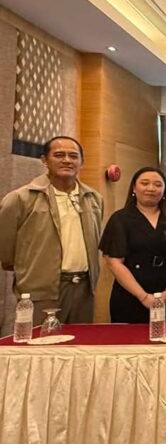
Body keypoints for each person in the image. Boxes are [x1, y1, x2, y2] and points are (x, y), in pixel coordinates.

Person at [0, 136, 103, 325]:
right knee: (40, 340)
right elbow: (6, 248)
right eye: (59, 155)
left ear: (81, 162)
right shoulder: (21, 198)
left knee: (81, 340)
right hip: (41, 290)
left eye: (73, 156)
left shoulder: (93, 198)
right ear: (44, 160)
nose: (67, 160)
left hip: (84, 288)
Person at [99, 167, 166, 323]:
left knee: (163, 335)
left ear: (164, 190)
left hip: (164, 292)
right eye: (145, 183)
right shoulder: (120, 219)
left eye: (158, 185)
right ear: (134, 188)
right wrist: (143, 296)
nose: (151, 188)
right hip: (129, 292)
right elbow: (114, 262)